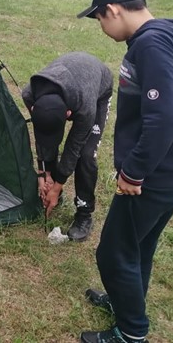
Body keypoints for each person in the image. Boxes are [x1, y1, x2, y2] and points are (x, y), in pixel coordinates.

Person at [77, 0, 173, 343]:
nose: (102, 28)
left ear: (113, 10)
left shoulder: (150, 45)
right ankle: (126, 301)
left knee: (114, 252)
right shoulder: (166, 33)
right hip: (170, 171)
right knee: (139, 246)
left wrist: (134, 173)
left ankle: (131, 333)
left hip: (152, 175)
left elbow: (165, 117)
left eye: (100, 19)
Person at [22, 52, 113, 241]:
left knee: (86, 155)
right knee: (49, 141)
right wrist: (43, 173)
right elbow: (42, 135)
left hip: (97, 89)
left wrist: (57, 185)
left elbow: (74, 147)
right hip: (69, 86)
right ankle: (55, 192)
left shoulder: (85, 105)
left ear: (69, 114)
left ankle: (84, 213)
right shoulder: (29, 94)